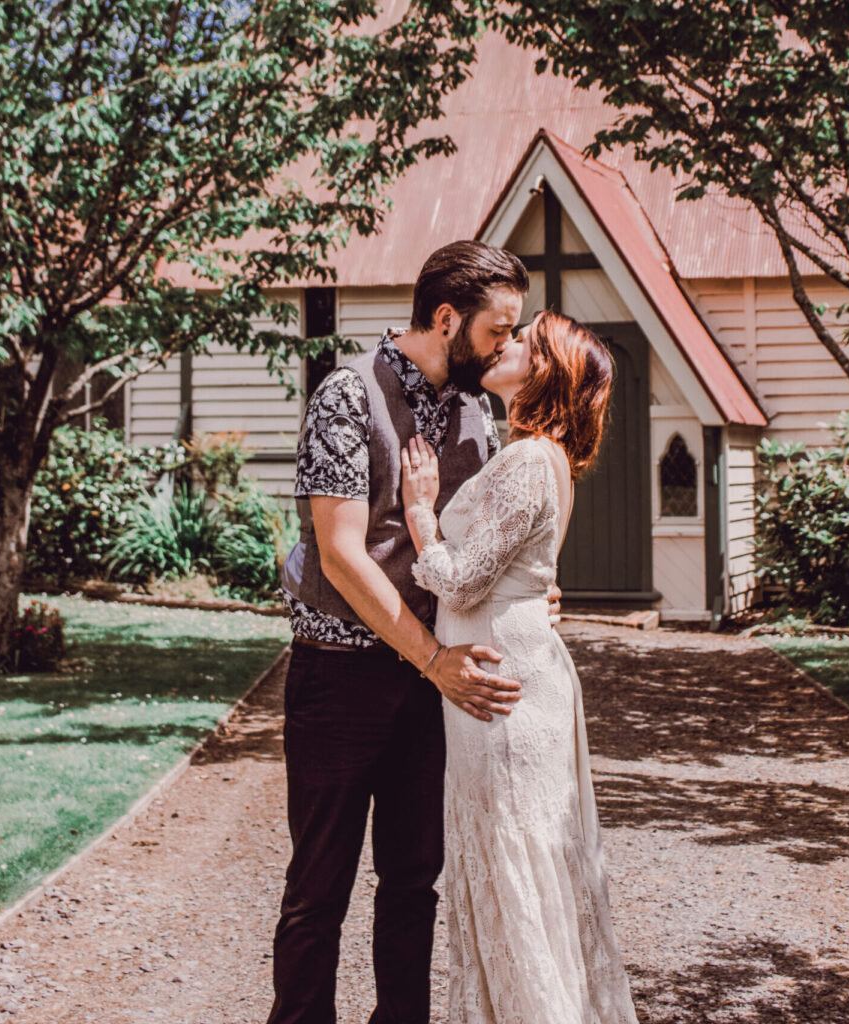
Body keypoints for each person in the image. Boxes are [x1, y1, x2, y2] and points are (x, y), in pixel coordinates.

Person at [269, 240, 560, 1024]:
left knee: (412, 881)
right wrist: (434, 660)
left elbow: (480, 549)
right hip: (341, 678)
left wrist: (531, 597)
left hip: (433, 687)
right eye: (499, 330)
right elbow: (339, 551)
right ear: (445, 318)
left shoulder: (478, 413)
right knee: (318, 890)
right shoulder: (346, 395)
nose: (508, 347)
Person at [401, 309, 639, 1024]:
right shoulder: (534, 454)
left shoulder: (533, 457)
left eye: (523, 342)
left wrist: (420, 513)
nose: (504, 345)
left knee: (513, 855)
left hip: (501, 687)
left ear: (546, 372)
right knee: (514, 854)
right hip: (510, 666)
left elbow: (467, 580)